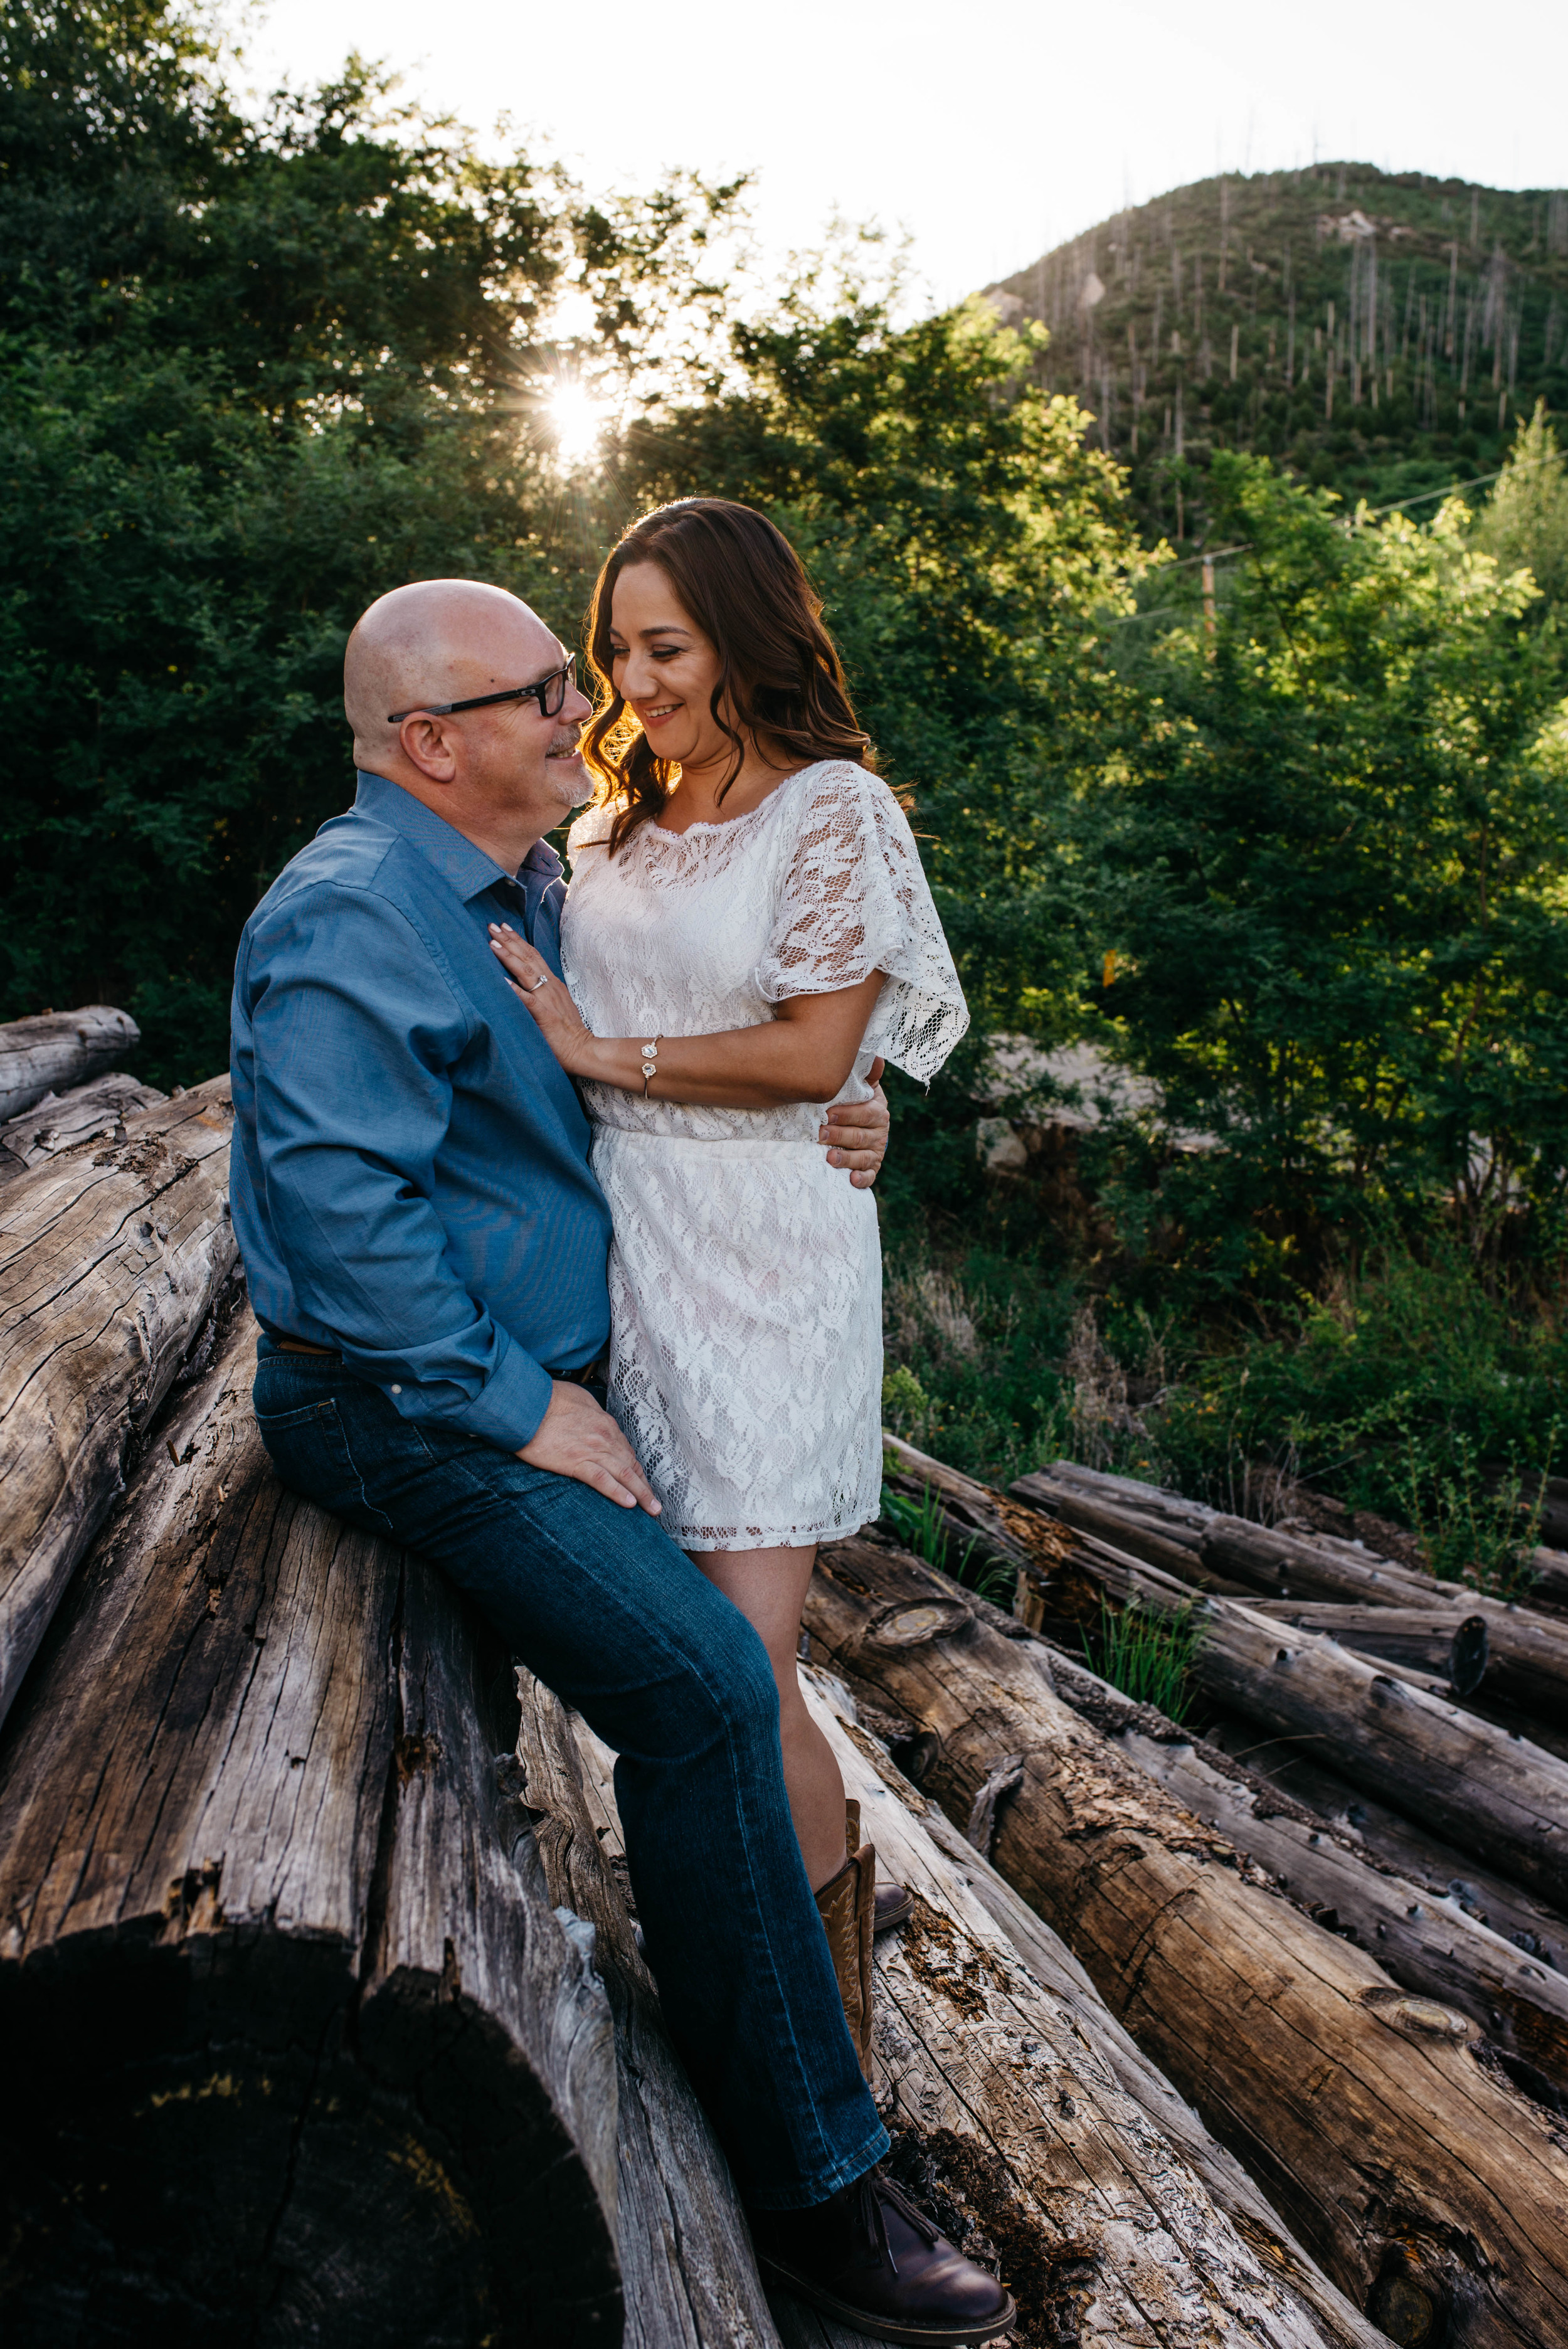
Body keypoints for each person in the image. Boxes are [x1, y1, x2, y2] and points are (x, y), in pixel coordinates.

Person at [230, 571, 1015, 2345]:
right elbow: (339, 1220)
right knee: (702, 1684)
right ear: (431, 742)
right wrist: (522, 1405)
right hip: (404, 1400)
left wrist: (844, 1091)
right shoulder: (353, 909)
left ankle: (811, 2130)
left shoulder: (513, 871)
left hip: (548, 1357)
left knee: (721, 1681)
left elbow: (721, 1042)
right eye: (537, 689)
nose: (578, 709)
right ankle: (823, 2193)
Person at [487, 496, 967, 1939]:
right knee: (678, 1658)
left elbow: (819, 1055)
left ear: (744, 638)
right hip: (629, 1244)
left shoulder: (832, 807)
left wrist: (601, 1055)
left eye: (667, 647)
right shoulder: (610, 822)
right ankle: (737, 1954)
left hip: (764, 1255)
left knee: (739, 1668)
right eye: (617, 651)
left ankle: (819, 1997)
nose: (637, 684)